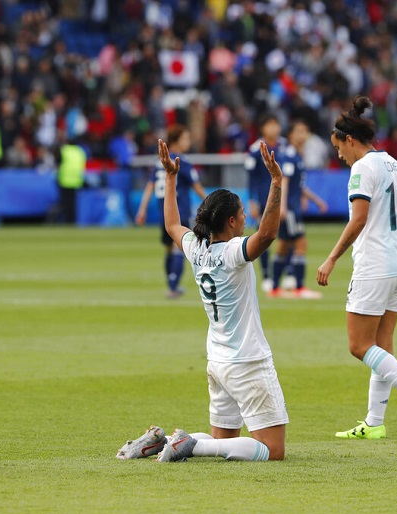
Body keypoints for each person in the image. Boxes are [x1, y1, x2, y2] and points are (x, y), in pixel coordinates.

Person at [118, 139, 288, 462]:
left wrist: (170, 178)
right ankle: (193, 444)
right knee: (273, 450)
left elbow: (171, 224)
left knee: (224, 440)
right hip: (247, 361)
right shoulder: (232, 252)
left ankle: (161, 440)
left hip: (218, 361)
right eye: (241, 215)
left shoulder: (197, 248)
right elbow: (267, 235)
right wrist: (276, 182)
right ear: (232, 222)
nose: (244, 220)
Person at [317, 96, 397, 441]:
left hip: (376, 264)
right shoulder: (395, 165)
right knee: (382, 343)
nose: (339, 155)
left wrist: (333, 256)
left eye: (339, 148)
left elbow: (360, 218)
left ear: (350, 140)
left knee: (359, 345)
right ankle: (375, 422)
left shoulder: (362, 168)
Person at [135, 125, 206, 298]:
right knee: (179, 249)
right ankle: (173, 286)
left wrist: (142, 209)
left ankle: (171, 282)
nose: (188, 142)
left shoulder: (160, 161)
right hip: (179, 211)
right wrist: (212, 202)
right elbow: (196, 186)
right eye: (186, 138)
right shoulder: (182, 161)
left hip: (163, 214)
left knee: (168, 249)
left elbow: (150, 186)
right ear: (177, 141)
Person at [269, 120, 327, 299]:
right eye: (300, 131)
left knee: (283, 246)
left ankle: (274, 288)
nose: (304, 135)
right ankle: (299, 287)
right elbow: (284, 181)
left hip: (292, 205)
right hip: (291, 208)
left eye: (305, 131)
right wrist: (283, 206)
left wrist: (316, 200)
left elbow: (297, 185)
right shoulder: (290, 155)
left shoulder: (297, 155)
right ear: (292, 135)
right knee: (300, 244)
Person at [245, 114, 286, 292]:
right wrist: (252, 201)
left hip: (283, 197)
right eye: (270, 125)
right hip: (264, 198)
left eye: (275, 125)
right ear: (263, 129)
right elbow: (251, 178)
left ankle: (286, 272)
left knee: (287, 236)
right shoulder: (255, 149)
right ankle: (266, 275)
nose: (273, 129)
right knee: (263, 237)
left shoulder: (285, 146)